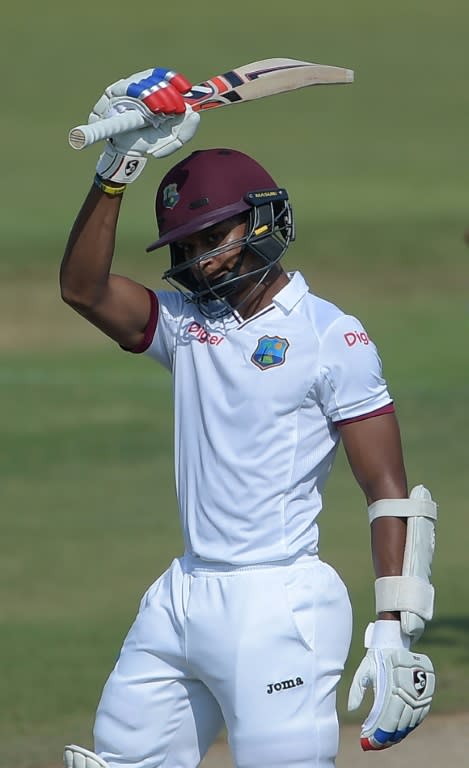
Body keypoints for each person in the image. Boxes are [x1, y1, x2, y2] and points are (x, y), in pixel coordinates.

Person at [60, 67, 437, 768]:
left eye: (215, 238)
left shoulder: (331, 336)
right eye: (189, 248)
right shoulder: (185, 325)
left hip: (279, 603)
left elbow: (388, 490)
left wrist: (393, 629)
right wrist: (118, 169)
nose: (201, 264)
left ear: (263, 220)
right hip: (181, 596)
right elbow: (81, 288)